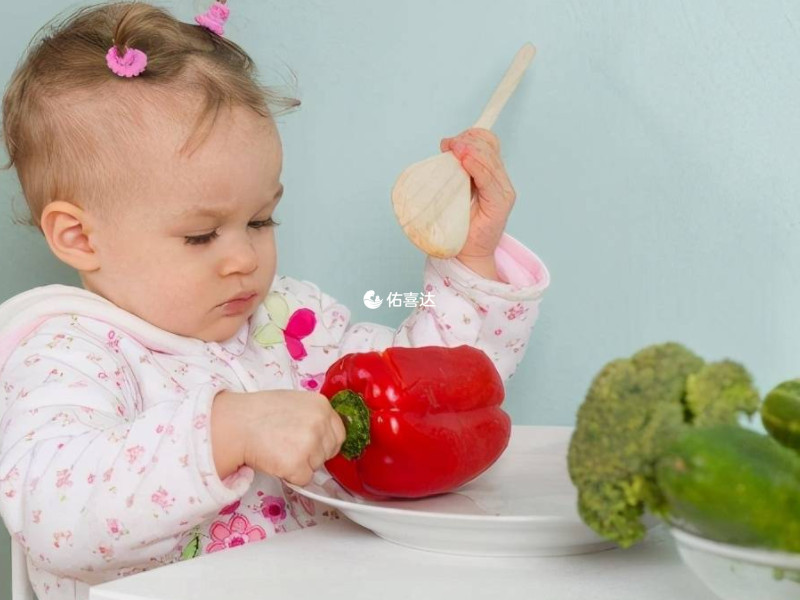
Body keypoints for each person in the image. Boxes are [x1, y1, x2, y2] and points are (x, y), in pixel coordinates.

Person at [0, 1, 550, 598]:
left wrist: (471, 260)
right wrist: (224, 431)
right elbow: (51, 514)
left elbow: (435, 400)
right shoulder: (67, 353)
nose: (244, 258)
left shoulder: (292, 322)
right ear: (80, 237)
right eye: (201, 235)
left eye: (261, 220)